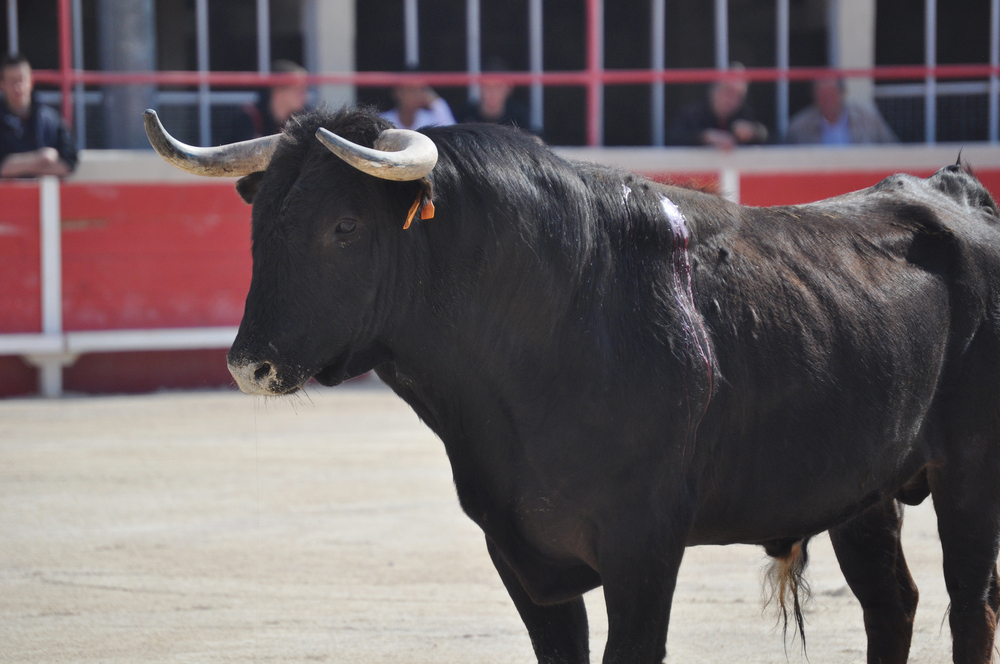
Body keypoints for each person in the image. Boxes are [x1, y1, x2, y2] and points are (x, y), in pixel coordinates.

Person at [0, 53, 77, 178]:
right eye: (12, 81)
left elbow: (69, 163)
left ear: (31, 81)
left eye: (21, 80)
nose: (18, 87)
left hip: (47, 196)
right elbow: (3, 167)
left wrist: (16, 165)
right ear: (2, 84)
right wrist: (43, 158)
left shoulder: (51, 119)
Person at [667, 63, 768, 149]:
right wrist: (703, 137)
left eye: (739, 95)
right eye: (728, 91)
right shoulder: (691, 114)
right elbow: (671, 140)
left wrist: (756, 132)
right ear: (713, 90)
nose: (733, 99)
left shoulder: (745, 114)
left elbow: (776, 140)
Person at [785, 77, 898, 145]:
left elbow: (893, 148)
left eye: (831, 94)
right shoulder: (800, 126)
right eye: (822, 94)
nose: (827, 99)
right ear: (814, 96)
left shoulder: (867, 118)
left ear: (842, 93)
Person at [225, 60, 309, 142]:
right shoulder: (250, 117)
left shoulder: (302, 121)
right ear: (278, 90)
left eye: (304, 89)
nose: (304, 94)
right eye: (298, 89)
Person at [457, 57, 530, 130]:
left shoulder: (519, 118)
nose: (493, 92)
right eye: (487, 86)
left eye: (498, 87)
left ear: (509, 88)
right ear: (479, 87)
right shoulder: (464, 116)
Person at [381, 70, 456, 130]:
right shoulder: (384, 121)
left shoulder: (430, 121)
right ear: (398, 93)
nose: (416, 95)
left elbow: (452, 135)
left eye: (420, 89)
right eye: (411, 89)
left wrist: (436, 103)